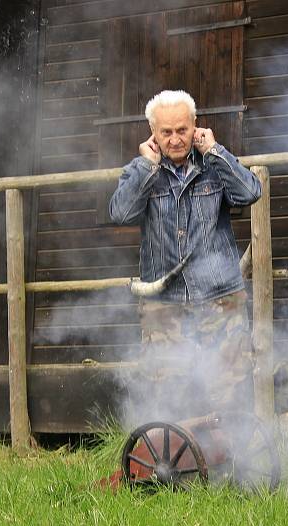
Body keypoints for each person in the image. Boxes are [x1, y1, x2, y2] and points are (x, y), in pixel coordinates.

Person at [109, 90, 261, 420]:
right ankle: (175, 465)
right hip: (164, 300)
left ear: (195, 126)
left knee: (230, 387)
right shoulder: (139, 169)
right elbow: (121, 213)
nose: (176, 139)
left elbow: (250, 191)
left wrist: (216, 152)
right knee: (166, 391)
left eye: (182, 129)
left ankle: (235, 462)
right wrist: (148, 167)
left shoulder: (213, 164)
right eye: (166, 132)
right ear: (153, 132)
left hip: (219, 297)